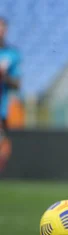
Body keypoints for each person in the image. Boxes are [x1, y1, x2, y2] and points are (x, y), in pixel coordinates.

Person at [0, 17, 22, 172]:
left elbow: (17, 84)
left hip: (3, 107)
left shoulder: (11, 54)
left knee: (3, 142)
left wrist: (4, 76)